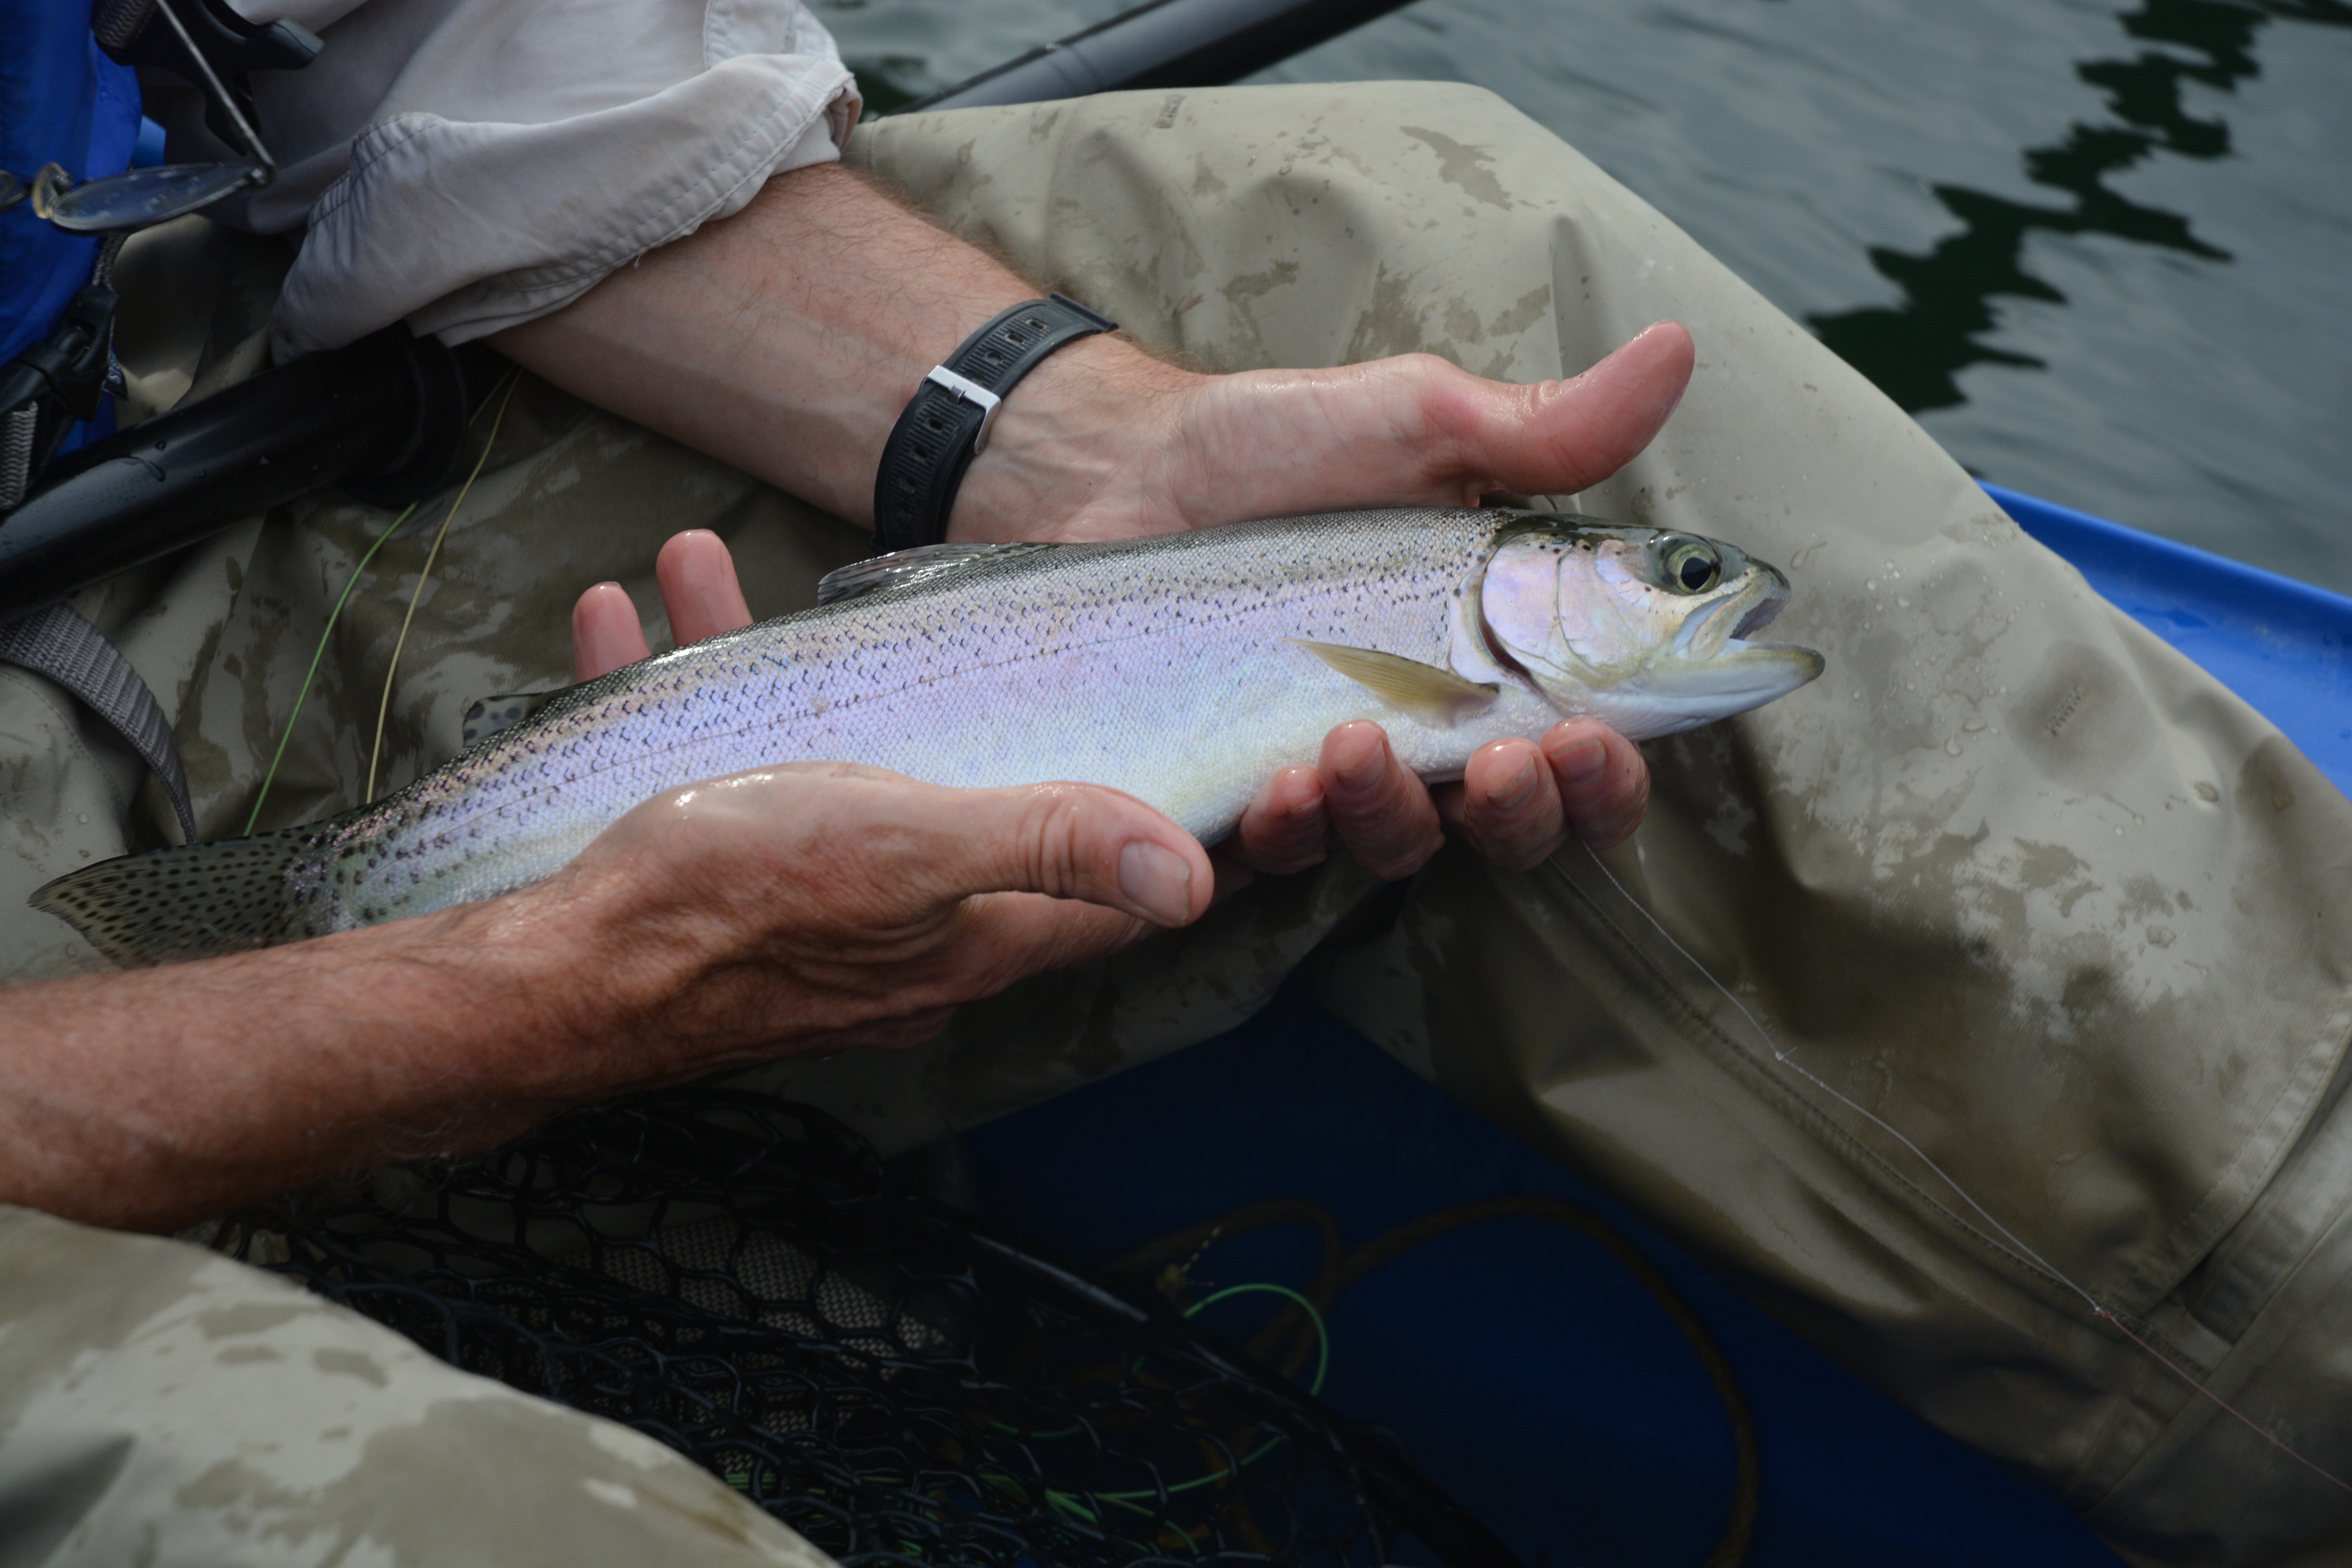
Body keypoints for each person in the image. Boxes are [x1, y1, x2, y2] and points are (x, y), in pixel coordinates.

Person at [3, 1, 2351, 1564]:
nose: (1704, 607)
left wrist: (1060, 435)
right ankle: (321, 923)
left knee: (1427, 248)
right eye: (1669, 591)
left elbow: (414, 44)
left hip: (124, 488)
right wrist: (490, 1004)